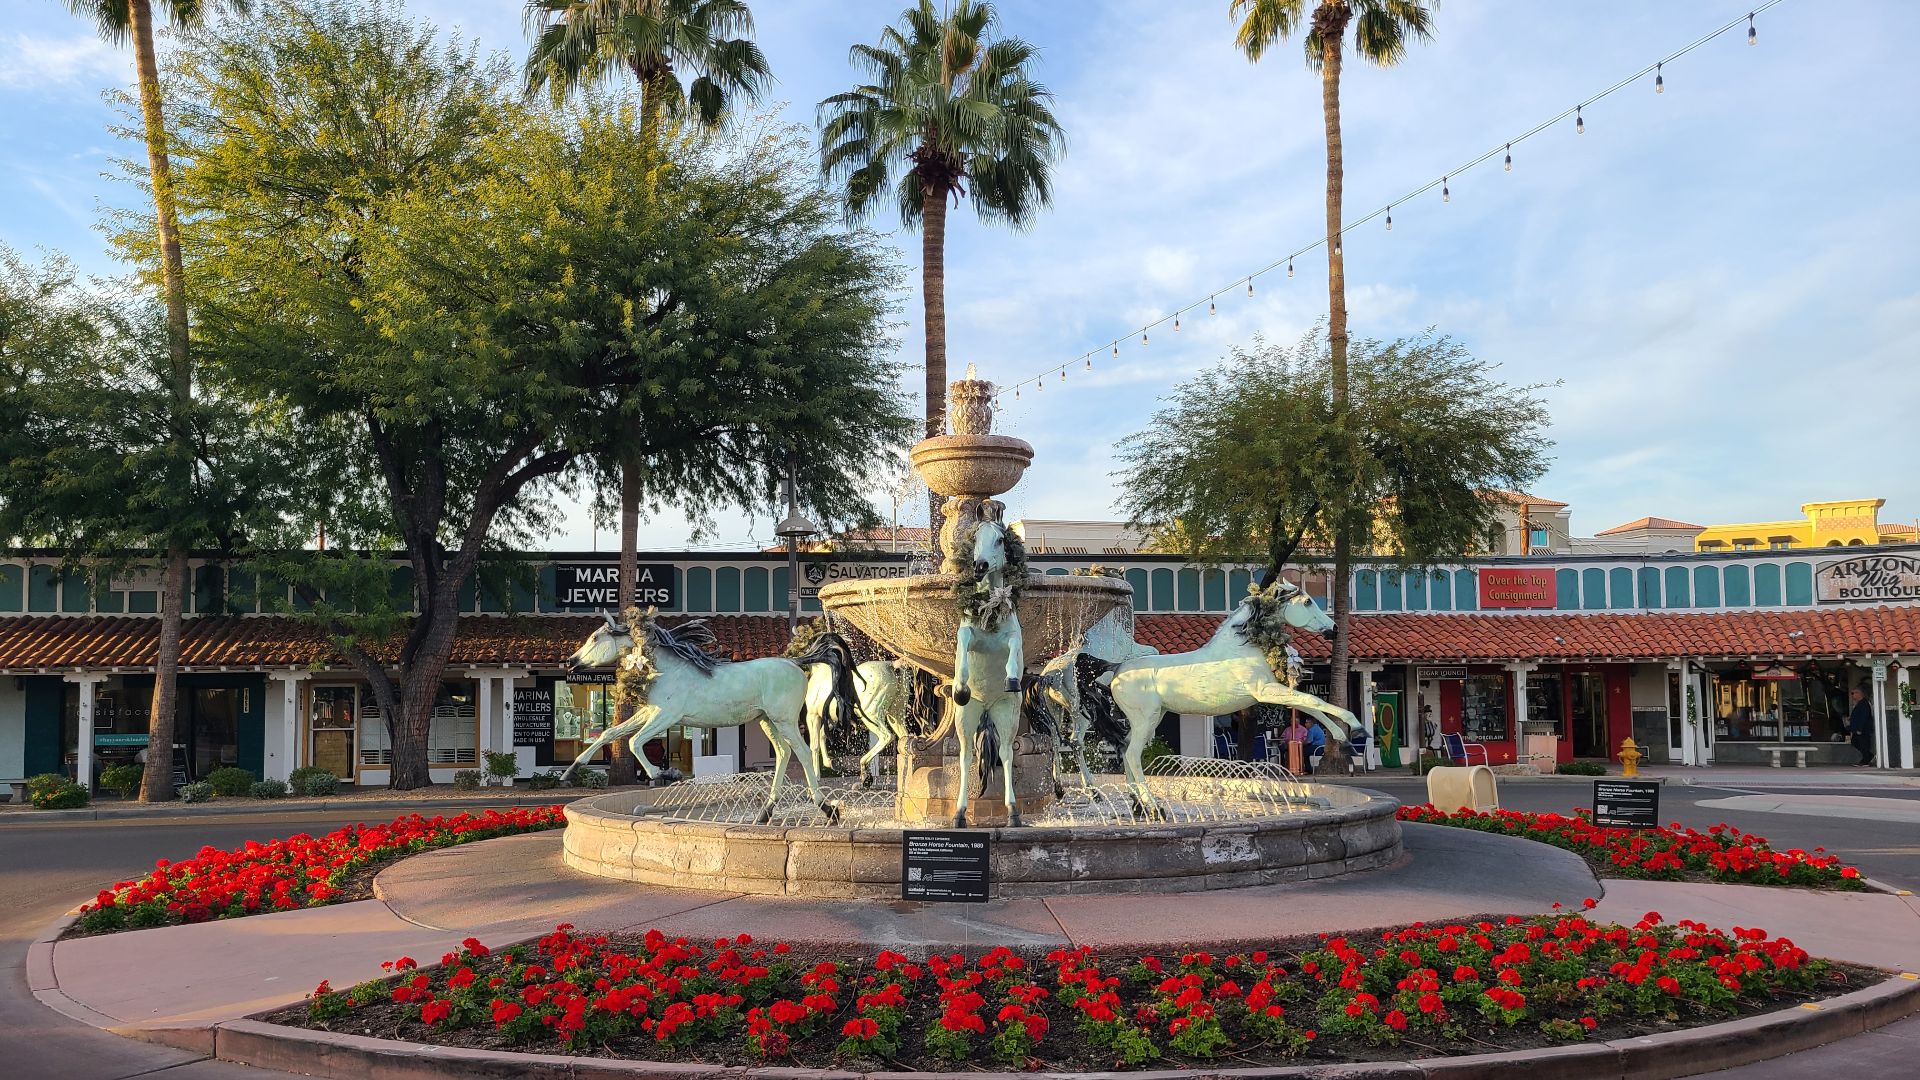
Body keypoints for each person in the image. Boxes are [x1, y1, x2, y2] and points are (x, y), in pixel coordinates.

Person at [1848, 687, 1875, 767]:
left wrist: (1860, 728)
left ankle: (1866, 760)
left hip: (1863, 730)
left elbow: (1864, 716)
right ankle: (1868, 756)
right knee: (1855, 742)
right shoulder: (1859, 703)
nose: (1852, 695)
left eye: (1853, 693)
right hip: (1857, 729)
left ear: (1859, 694)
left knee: (1863, 744)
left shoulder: (1864, 704)